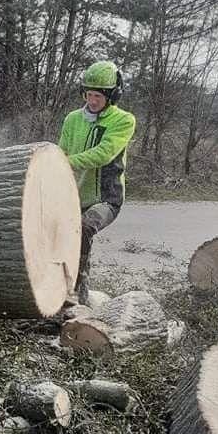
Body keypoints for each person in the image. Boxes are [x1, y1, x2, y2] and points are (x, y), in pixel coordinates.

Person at [58, 60, 136, 305]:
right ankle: (55, 288)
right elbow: (62, 150)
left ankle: (77, 295)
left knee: (85, 228)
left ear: (112, 96)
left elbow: (103, 153)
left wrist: (67, 161)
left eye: (98, 96)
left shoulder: (123, 120)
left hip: (106, 198)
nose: (92, 101)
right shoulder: (72, 119)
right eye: (89, 94)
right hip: (75, 196)